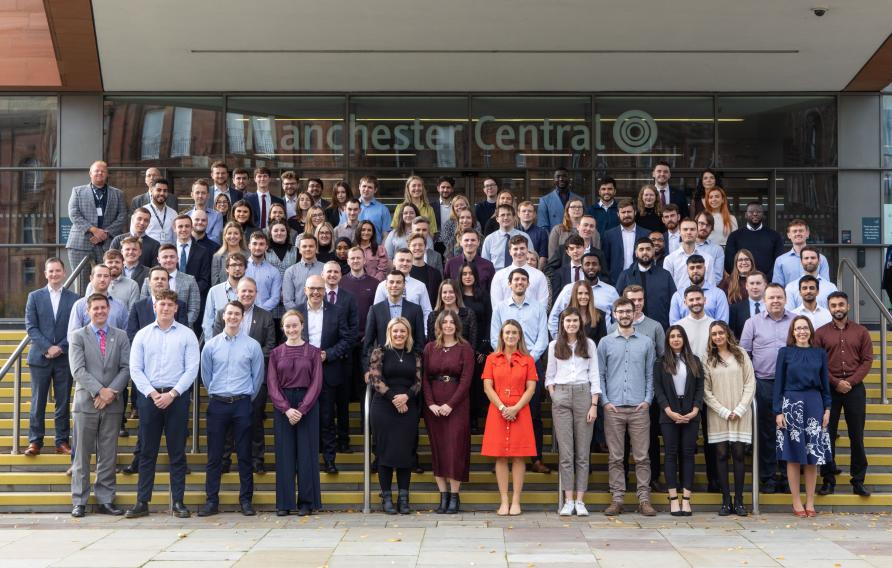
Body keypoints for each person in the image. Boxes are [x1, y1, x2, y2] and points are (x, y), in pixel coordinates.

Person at [125, 289, 199, 519]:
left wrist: (173, 393)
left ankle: (178, 502)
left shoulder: (187, 335)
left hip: (176, 399)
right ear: (154, 306)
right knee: (147, 451)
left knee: (177, 452)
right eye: (161, 304)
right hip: (149, 399)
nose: (165, 308)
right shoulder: (143, 335)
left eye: (170, 304)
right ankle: (142, 502)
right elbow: (135, 369)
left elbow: (192, 369)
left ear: (176, 308)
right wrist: (152, 394)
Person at [198, 301, 264, 517]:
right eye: (230, 313)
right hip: (218, 404)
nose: (233, 317)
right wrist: (218, 393)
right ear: (223, 316)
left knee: (245, 454)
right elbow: (206, 377)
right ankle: (211, 501)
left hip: (242, 404)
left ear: (242, 317)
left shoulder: (252, 345)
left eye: (237, 314)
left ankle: (246, 500)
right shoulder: (211, 345)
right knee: (214, 456)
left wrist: (244, 398)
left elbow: (258, 377)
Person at [211, 278, 277, 474]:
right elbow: (216, 342)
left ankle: (257, 459)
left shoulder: (265, 316)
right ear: (236, 293)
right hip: (228, 378)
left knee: (255, 420)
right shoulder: (224, 313)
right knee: (227, 422)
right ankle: (224, 460)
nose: (247, 294)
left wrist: (248, 359)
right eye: (243, 291)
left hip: (256, 378)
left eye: (251, 291)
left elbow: (270, 346)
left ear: (256, 293)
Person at [598, 297, 657, 516]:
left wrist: (647, 400)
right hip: (613, 408)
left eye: (627, 311)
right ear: (614, 314)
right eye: (620, 311)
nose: (624, 315)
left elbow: (650, 374)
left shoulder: (646, 342)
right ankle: (617, 499)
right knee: (615, 457)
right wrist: (605, 401)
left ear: (634, 314)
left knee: (642, 457)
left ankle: (644, 499)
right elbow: (600, 374)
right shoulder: (605, 343)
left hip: (639, 408)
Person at [490, 268, 550, 474]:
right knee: (503, 411)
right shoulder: (499, 308)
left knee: (532, 413)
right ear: (509, 283)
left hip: (531, 363)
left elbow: (543, 337)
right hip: (503, 364)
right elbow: (494, 338)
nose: (520, 283)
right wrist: (508, 359)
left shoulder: (538, 308)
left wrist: (526, 360)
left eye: (523, 280)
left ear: (528, 284)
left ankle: (536, 459)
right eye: (516, 279)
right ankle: (501, 458)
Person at [815, 292, 873, 497]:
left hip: (855, 389)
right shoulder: (820, 333)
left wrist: (851, 382)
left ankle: (858, 480)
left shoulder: (861, 332)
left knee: (856, 436)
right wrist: (836, 382)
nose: (837, 308)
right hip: (829, 389)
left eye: (841, 304)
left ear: (848, 306)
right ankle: (828, 480)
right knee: (827, 436)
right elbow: (818, 363)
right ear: (829, 308)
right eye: (833, 305)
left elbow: (867, 360)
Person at [774, 316, 833, 517]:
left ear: (810, 331)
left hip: (814, 404)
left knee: (812, 457)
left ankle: (810, 501)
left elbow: (825, 384)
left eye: (805, 328)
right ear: (792, 331)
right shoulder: (785, 353)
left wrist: (827, 408)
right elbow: (778, 384)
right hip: (791, 404)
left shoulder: (820, 354)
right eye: (798, 328)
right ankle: (796, 501)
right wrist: (778, 411)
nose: (801, 331)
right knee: (793, 456)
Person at [740, 283, 795, 494]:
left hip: (791, 386)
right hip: (763, 383)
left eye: (779, 297)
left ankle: (786, 475)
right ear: (764, 300)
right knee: (766, 432)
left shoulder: (795, 321)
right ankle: (768, 477)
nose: (775, 301)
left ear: (785, 299)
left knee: (789, 431)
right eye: (771, 298)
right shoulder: (752, 322)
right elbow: (744, 354)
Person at [268, 310, 324, 516]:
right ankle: (284, 503)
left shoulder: (313, 352)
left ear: (302, 326)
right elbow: (272, 385)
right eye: (288, 326)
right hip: (284, 407)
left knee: (307, 454)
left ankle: (307, 502)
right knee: (284, 454)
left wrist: (301, 409)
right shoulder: (275, 353)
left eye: (295, 325)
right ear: (283, 329)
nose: (292, 329)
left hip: (307, 406)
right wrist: (286, 409)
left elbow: (317, 383)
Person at [481, 320, 538, 515]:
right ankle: (504, 501)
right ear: (501, 336)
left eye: (514, 333)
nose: (511, 336)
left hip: (520, 410)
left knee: (519, 456)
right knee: (501, 456)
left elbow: (531, 387)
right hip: (498, 409)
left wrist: (516, 408)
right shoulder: (491, 358)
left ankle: (516, 501)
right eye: (507, 333)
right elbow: (488, 386)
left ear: (519, 336)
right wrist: (503, 407)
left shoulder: (527, 359)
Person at [546, 308, 600, 516]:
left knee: (582, 453)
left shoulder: (589, 345)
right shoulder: (554, 346)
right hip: (561, 394)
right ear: (562, 323)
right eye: (568, 320)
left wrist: (594, 404)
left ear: (581, 323)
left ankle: (580, 500)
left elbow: (594, 374)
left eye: (575, 321)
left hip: (583, 394)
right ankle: (568, 500)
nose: (571, 324)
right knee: (566, 453)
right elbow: (550, 376)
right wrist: (554, 395)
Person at [298, 275, 353, 474]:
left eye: (319, 289)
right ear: (305, 290)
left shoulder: (337, 312)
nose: (315, 292)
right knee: (304, 417)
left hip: (328, 370)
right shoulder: (296, 312)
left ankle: (329, 460)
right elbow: (286, 338)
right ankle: (306, 461)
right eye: (312, 288)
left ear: (325, 291)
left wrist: (328, 354)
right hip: (301, 374)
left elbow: (347, 339)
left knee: (328, 418)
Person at [23, 259, 78, 457]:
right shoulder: (34, 297)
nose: (54, 274)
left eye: (58, 271)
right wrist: (48, 347)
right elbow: (31, 327)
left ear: (64, 273)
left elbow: (75, 329)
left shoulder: (74, 299)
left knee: (63, 402)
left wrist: (60, 348)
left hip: (64, 358)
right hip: (40, 357)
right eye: (51, 271)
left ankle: (61, 441)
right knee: (38, 402)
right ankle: (35, 441)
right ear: (45, 274)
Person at [368, 317, 423, 514]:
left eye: (403, 331)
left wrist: (406, 397)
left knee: (405, 453)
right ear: (389, 333)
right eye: (395, 331)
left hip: (408, 407)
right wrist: (394, 398)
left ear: (408, 333)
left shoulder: (414, 354)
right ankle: (387, 498)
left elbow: (418, 382)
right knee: (385, 452)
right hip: (383, 406)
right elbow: (375, 378)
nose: (399, 335)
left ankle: (403, 498)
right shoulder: (379, 352)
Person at [423, 310, 475, 514]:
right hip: (434, 406)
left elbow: (466, 380)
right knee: (438, 449)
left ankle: (454, 496)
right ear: (439, 325)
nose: (448, 325)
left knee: (455, 449)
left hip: (457, 404)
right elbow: (425, 378)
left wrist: (450, 404)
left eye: (451, 322)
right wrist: (431, 404)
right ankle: (442, 496)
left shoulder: (465, 348)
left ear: (457, 325)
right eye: (444, 322)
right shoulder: (429, 348)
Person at [703, 320, 756, 516]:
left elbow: (750, 382)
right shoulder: (707, 358)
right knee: (722, 455)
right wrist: (724, 411)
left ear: (727, 334)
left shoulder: (740, 354)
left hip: (740, 412)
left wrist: (740, 408)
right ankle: (726, 501)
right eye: (714, 334)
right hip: (719, 414)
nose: (718, 337)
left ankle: (740, 501)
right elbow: (706, 390)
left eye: (721, 333)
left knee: (739, 455)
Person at [653, 325, 704, 517]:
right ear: (667, 340)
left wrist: (695, 410)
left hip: (691, 412)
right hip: (669, 413)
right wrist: (668, 411)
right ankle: (673, 499)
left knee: (688, 455)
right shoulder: (660, 363)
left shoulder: (695, 361)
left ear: (684, 339)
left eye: (679, 336)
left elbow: (700, 388)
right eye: (672, 336)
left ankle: (687, 500)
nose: (675, 339)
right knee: (671, 454)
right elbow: (658, 390)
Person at [66, 161, 127, 288]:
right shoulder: (77, 191)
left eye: (103, 171)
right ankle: (82, 307)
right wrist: (93, 230)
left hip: (107, 242)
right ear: (90, 173)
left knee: (107, 281)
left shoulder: (118, 193)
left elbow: (122, 216)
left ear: (107, 174)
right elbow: (74, 214)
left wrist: (105, 233)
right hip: (80, 243)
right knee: (81, 283)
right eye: (96, 170)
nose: (100, 173)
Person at [322, 261, 359, 453]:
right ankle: (324, 441)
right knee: (324, 407)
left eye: (336, 272)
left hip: (343, 359)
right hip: (319, 362)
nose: (333, 275)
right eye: (329, 271)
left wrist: (333, 353)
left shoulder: (349, 298)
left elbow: (354, 331)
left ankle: (343, 440)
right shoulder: (317, 297)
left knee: (342, 404)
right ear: (323, 274)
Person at [614, 237, 676, 330]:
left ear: (653, 251)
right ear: (636, 253)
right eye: (641, 249)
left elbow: (674, 302)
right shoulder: (625, 275)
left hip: (661, 328)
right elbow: (617, 302)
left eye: (648, 249)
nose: (645, 252)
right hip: (631, 329)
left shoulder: (665, 275)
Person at [550, 254, 619, 334]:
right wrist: (559, 340)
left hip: (602, 341)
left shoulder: (611, 291)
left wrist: (611, 340)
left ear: (599, 267)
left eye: (594, 264)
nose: (591, 267)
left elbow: (617, 319)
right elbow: (554, 317)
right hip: (572, 341)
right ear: (581, 268)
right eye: (587, 264)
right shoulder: (569, 289)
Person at [138, 244, 201, 326]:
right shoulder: (148, 281)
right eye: (165, 257)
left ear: (177, 259)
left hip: (182, 329)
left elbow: (194, 308)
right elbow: (144, 307)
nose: (168, 260)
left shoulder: (190, 280)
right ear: (158, 259)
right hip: (152, 328)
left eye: (172, 257)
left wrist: (181, 326)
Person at [373, 248, 433, 322]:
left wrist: (425, 332)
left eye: (408, 261)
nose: (405, 263)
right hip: (388, 332)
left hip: (414, 331)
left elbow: (427, 312)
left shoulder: (420, 286)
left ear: (412, 263)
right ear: (394, 262)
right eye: (401, 260)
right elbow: (377, 313)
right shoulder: (382, 286)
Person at [68, 264, 130, 336]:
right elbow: (73, 336)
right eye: (99, 276)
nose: (102, 279)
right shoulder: (80, 305)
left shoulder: (120, 306)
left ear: (110, 279)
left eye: (106, 276)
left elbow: (126, 335)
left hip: (114, 346)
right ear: (91, 278)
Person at [724, 203, 783, 277]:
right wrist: (742, 279)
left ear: (763, 215)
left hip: (768, 283)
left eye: (758, 212)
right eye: (751, 212)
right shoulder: (734, 236)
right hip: (741, 282)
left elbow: (779, 261)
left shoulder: (774, 236)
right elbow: (729, 263)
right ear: (745, 215)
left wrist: (766, 279)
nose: (755, 214)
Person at [669, 255, 729, 324]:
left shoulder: (718, 294)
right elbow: (674, 326)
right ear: (687, 270)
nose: (695, 271)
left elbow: (723, 325)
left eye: (699, 267)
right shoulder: (678, 296)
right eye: (692, 268)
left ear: (705, 269)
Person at [492, 236, 549, 308]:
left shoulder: (539, 275)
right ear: (510, 252)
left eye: (522, 248)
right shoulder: (499, 276)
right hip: (507, 318)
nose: (519, 252)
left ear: (527, 250)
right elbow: (497, 306)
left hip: (532, 318)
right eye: (515, 249)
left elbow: (542, 305)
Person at [772, 219, 831, 287]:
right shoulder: (780, 261)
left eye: (801, 231)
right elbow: (778, 288)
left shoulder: (821, 259)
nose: (798, 233)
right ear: (789, 235)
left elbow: (825, 286)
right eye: (794, 231)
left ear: (807, 233)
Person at [601, 199, 650, 282]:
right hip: (615, 280)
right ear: (618, 214)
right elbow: (605, 260)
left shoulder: (646, 233)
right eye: (623, 212)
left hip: (641, 279)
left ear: (635, 212)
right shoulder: (609, 235)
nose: (626, 215)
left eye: (629, 212)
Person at [202, 253, 245, 340]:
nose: (237, 268)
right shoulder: (214, 291)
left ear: (245, 268)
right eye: (233, 265)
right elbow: (207, 322)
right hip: (218, 341)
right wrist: (211, 344)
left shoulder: (249, 292)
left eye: (241, 265)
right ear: (227, 268)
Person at [664, 219, 716, 290]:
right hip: (678, 299)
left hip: (703, 299)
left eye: (692, 229)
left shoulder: (708, 258)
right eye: (685, 229)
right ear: (679, 232)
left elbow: (712, 286)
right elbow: (667, 288)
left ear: (697, 232)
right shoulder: (669, 260)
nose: (689, 232)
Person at [171, 215, 212, 303]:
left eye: (187, 226)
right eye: (180, 226)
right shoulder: (168, 250)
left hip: (194, 300)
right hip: (170, 298)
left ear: (192, 228)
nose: (184, 229)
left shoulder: (203, 251)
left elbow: (204, 279)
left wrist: (189, 292)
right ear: (174, 229)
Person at [481, 204, 534, 270]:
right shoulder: (489, 239)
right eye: (502, 215)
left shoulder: (524, 237)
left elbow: (531, 259)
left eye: (508, 215)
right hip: (497, 277)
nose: (506, 218)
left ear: (514, 217)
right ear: (497, 219)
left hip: (520, 277)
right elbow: (485, 264)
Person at [426, 279, 478, 347]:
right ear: (440, 295)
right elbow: (432, 344)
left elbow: (472, 343)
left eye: (451, 292)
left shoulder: (468, 314)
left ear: (457, 294)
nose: (448, 295)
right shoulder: (433, 316)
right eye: (444, 292)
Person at [283, 234, 324, 309]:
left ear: (316, 248)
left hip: (322, 315)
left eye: (311, 246)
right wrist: (299, 316)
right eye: (304, 246)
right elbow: (288, 301)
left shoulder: (325, 269)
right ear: (299, 249)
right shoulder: (290, 272)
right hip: (298, 317)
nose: (308, 249)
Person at [244, 232, 282, 313]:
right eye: (254, 244)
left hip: (264, 316)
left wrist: (259, 311)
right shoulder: (241, 268)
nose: (257, 247)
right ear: (249, 246)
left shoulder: (274, 271)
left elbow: (275, 298)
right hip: (243, 314)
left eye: (261, 244)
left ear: (266, 247)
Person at [677, 286, 716, 359]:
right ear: (685, 302)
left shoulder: (715, 325)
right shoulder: (678, 326)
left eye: (698, 299)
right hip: (688, 369)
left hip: (711, 368)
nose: (695, 303)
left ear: (704, 300)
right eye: (691, 300)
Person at [184, 178, 224, 245]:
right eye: (197, 192)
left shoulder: (217, 216)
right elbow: (183, 238)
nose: (200, 196)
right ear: (192, 195)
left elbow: (216, 240)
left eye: (203, 193)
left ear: (208, 195)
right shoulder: (186, 216)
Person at [729, 271, 767, 340]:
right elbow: (732, 335)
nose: (755, 287)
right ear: (746, 286)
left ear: (765, 285)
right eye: (752, 283)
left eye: (758, 283)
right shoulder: (735, 309)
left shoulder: (772, 307)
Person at [408, 232, 443, 303]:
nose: (417, 248)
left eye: (420, 245)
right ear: (409, 248)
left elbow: (438, 299)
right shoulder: (403, 273)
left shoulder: (435, 274)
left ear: (425, 247)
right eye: (414, 245)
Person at [211, 221, 248, 285]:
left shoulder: (248, 255)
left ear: (241, 236)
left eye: (236, 233)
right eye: (229, 233)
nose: (232, 236)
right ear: (224, 236)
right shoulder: (217, 256)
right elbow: (215, 282)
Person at [142, 178, 177, 245]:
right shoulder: (143, 211)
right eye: (158, 190)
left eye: (165, 191)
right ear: (152, 190)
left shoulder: (173, 213)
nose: (162, 193)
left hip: (168, 252)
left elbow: (175, 237)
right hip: (150, 252)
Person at [694, 212, 726, 286]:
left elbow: (717, 277)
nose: (704, 227)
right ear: (695, 224)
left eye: (708, 225)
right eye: (701, 223)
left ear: (711, 229)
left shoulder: (718, 250)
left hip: (708, 292)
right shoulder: (683, 246)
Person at [589, 176, 619, 241]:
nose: (606, 192)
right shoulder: (590, 210)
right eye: (603, 189)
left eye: (610, 189)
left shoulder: (620, 210)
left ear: (615, 191)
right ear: (599, 192)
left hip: (615, 247)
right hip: (597, 247)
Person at [431, 175, 455, 251]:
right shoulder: (431, 207)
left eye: (448, 187)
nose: (445, 190)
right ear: (438, 188)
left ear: (452, 189)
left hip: (454, 244)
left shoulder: (457, 206)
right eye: (443, 187)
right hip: (437, 244)